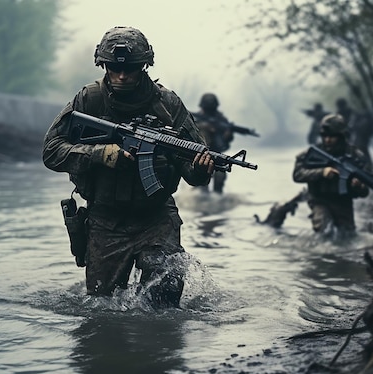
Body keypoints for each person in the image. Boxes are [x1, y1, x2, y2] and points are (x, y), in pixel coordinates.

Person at [42, 26, 214, 307]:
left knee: (165, 301)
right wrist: (100, 154)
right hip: (105, 220)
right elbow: (51, 152)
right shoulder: (89, 101)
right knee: (101, 307)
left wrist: (201, 169)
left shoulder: (168, 104)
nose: (122, 76)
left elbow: (191, 166)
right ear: (104, 66)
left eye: (131, 69)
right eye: (114, 69)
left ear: (144, 67)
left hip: (156, 217)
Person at [292, 113, 371, 239]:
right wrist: (321, 172)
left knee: (348, 238)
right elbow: (297, 174)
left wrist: (358, 186)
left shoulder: (355, 156)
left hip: (343, 202)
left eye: (332, 136)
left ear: (341, 136)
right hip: (319, 200)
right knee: (324, 232)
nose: (327, 140)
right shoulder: (312, 153)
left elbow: (365, 192)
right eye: (325, 136)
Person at [192, 93, 234, 193]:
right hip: (201, 155)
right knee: (201, 184)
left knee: (219, 181)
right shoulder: (196, 119)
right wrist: (204, 127)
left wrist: (227, 134)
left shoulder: (221, 120)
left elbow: (226, 143)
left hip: (217, 154)